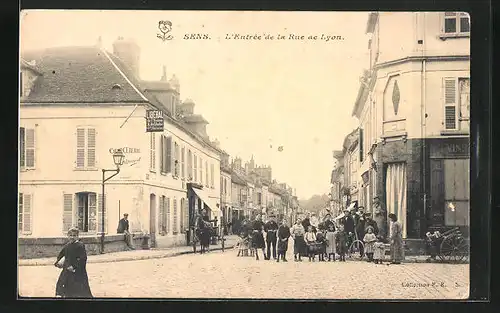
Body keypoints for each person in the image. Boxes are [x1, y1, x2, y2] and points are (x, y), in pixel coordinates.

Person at [54, 227, 92, 298]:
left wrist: (74, 266)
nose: (72, 237)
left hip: (77, 272)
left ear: (78, 236)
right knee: (62, 285)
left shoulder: (80, 245)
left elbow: (83, 258)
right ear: (68, 236)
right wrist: (58, 262)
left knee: (78, 289)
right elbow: (61, 255)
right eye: (70, 235)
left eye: (74, 235)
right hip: (66, 270)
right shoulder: (67, 246)